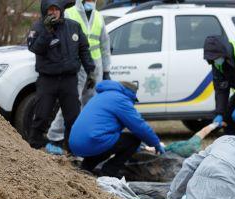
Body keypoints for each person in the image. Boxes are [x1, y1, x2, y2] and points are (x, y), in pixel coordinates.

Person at [27, 0, 96, 151]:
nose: (53, 12)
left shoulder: (73, 26)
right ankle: (34, 148)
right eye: (50, 10)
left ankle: (71, 149)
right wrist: (47, 30)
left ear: (61, 10)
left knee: (73, 117)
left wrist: (90, 71)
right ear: (45, 11)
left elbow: (84, 50)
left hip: (69, 80)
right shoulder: (38, 27)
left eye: (56, 9)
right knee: (42, 115)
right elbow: (35, 48)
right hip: (47, 79)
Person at [46, 0, 111, 155]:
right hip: (76, 65)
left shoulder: (98, 17)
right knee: (71, 103)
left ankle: (83, 138)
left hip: (95, 66)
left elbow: (104, 45)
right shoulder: (70, 13)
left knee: (91, 105)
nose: (91, 2)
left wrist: (106, 70)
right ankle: (55, 136)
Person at [69, 81, 164, 177]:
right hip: (93, 141)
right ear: (131, 94)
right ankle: (108, 173)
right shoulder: (121, 100)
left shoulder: (101, 96)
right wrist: (155, 143)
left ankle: (85, 168)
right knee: (133, 140)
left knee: (107, 140)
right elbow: (139, 126)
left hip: (76, 144)